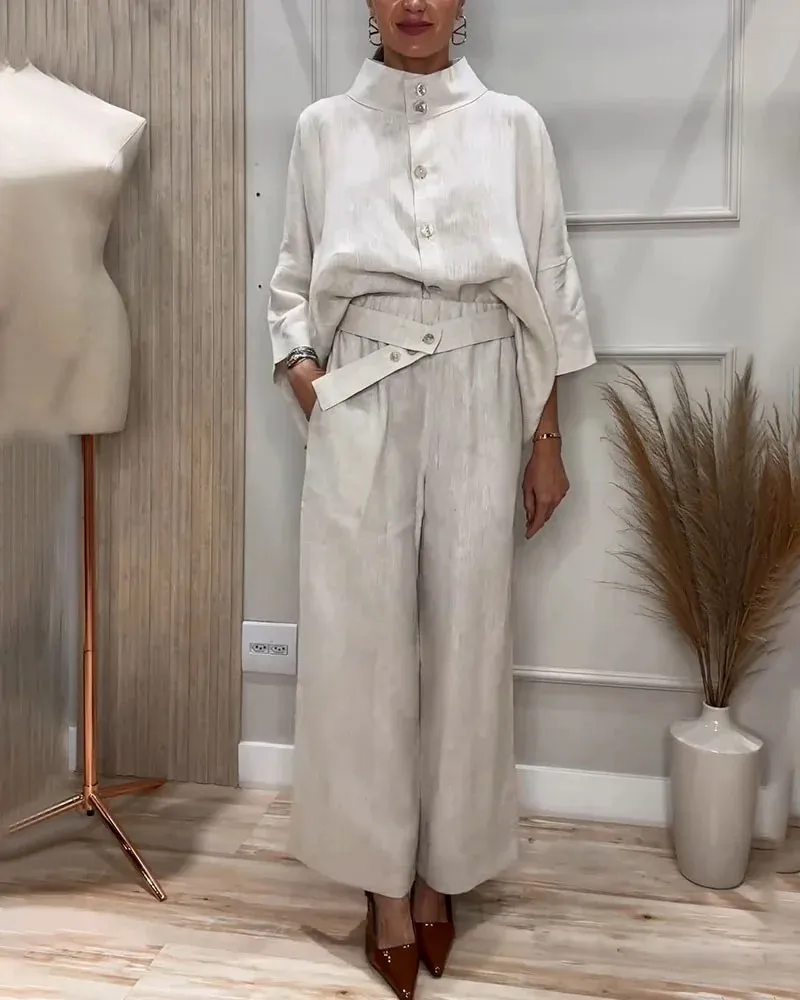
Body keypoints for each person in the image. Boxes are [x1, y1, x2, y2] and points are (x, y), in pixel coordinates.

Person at [268, 1, 595, 997]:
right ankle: (380, 884)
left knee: (468, 637)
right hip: (361, 386)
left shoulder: (513, 127)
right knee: (358, 645)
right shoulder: (323, 127)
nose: (414, 1)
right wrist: (307, 380)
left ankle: (442, 871)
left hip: (480, 383)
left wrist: (545, 440)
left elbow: (548, 285)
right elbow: (290, 279)